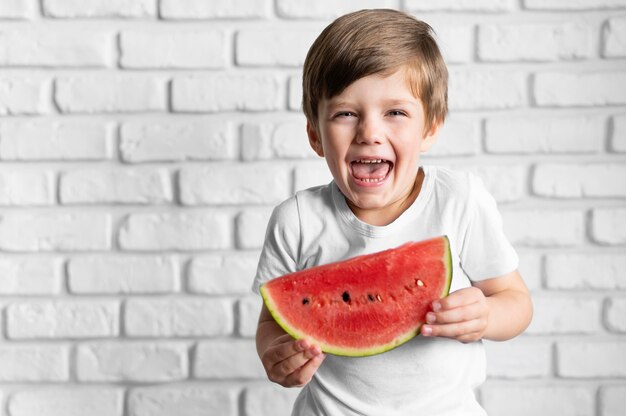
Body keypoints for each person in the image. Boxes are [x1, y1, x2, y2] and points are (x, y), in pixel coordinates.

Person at [252, 8, 532, 415]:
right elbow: (271, 322)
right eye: (346, 113)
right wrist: (276, 355)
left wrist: (486, 315)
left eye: (395, 113)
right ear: (315, 135)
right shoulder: (297, 220)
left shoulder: (459, 200)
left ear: (431, 127)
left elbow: (516, 301)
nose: (369, 133)